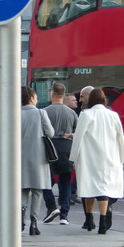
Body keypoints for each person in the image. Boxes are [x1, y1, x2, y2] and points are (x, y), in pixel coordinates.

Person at [73, 87, 124, 234]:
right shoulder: (113, 115)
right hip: (110, 157)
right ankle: (103, 224)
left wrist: (73, 158)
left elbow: (78, 138)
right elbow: (120, 138)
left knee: (89, 188)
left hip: (90, 158)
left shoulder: (86, 115)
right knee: (104, 189)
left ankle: (89, 220)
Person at [18, 85, 54, 236]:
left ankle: (20, 217)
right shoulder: (41, 113)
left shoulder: (15, 113)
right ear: (32, 98)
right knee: (37, 190)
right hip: (39, 156)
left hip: (20, 156)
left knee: (23, 188)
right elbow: (50, 133)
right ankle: (34, 222)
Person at [42, 82, 78, 225]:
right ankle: (64, 214)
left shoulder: (45, 111)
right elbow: (78, 131)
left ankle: (51, 207)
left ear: (52, 93)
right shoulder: (71, 113)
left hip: (49, 148)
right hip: (67, 148)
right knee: (65, 182)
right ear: (63, 95)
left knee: (45, 181)